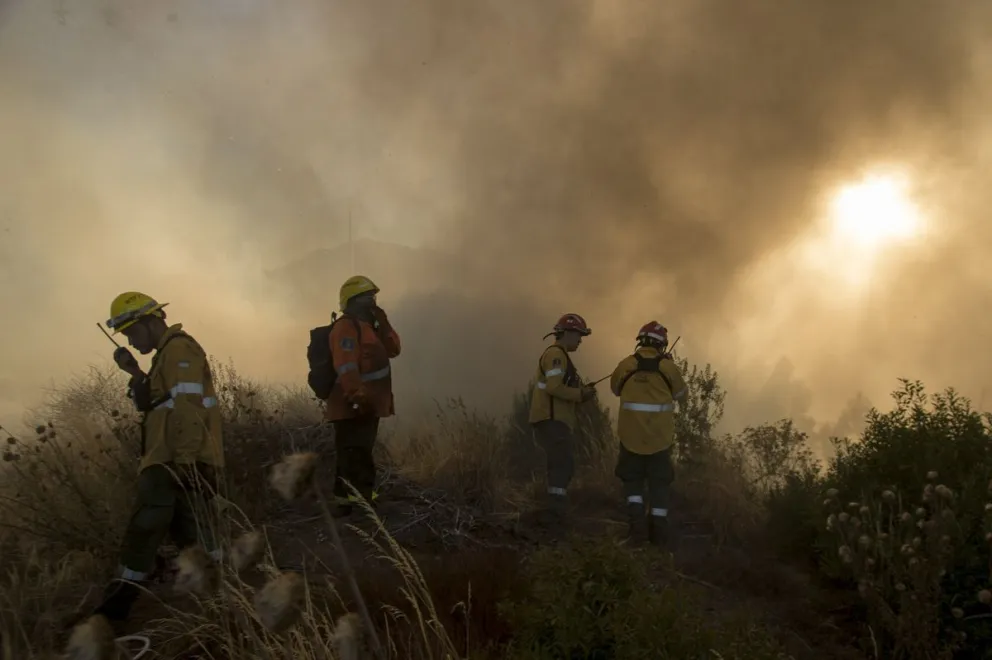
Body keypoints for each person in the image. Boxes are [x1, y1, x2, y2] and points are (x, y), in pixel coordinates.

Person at [94, 291, 225, 623]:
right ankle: (220, 601)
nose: (131, 340)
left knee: (145, 527)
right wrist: (135, 373)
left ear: (151, 322)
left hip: (172, 460)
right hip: (174, 458)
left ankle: (117, 607)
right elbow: (156, 401)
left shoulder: (179, 350)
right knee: (193, 531)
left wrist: (184, 462)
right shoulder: (165, 355)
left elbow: (187, 408)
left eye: (132, 332)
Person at [325, 275, 401, 517]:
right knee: (353, 452)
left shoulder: (372, 326)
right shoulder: (346, 327)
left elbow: (394, 350)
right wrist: (357, 396)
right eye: (367, 298)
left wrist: (384, 324)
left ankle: (356, 498)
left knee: (361, 450)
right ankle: (356, 503)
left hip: (371, 404)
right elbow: (345, 365)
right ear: (353, 301)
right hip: (352, 404)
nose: (372, 302)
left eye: (373, 297)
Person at [609, 321, 687, 547]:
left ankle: (637, 534)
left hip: (630, 438)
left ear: (640, 341)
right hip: (660, 440)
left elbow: (615, 389)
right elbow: (682, 395)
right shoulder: (668, 368)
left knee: (633, 485)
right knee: (659, 485)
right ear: (662, 345)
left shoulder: (626, 364)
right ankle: (659, 539)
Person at [527, 313, 597, 527]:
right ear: (566, 333)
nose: (580, 340)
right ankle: (555, 513)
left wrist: (581, 392)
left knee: (561, 464)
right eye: (579, 335)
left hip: (554, 420)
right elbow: (554, 387)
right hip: (552, 420)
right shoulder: (556, 355)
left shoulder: (560, 356)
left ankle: (554, 509)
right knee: (562, 465)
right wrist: (580, 395)